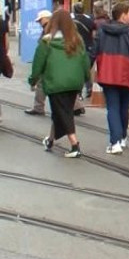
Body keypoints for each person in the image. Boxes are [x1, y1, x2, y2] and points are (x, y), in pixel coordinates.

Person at [29, 11, 91, 158]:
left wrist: (33, 80)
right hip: (75, 82)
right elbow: (85, 62)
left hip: (55, 82)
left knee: (64, 113)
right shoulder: (77, 40)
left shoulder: (47, 41)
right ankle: (50, 140)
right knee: (60, 112)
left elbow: (38, 64)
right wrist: (86, 79)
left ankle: (75, 145)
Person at [94, 3, 129, 154]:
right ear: (123, 15)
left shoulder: (102, 31)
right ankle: (122, 138)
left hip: (107, 73)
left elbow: (93, 52)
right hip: (127, 75)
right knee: (123, 107)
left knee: (112, 107)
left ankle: (115, 142)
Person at [24, 10, 53, 116]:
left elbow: (42, 52)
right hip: (59, 61)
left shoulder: (48, 29)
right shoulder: (59, 27)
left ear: (46, 18)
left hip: (49, 61)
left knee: (41, 83)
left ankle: (38, 107)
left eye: (40, 20)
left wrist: (33, 78)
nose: (39, 23)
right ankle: (77, 106)